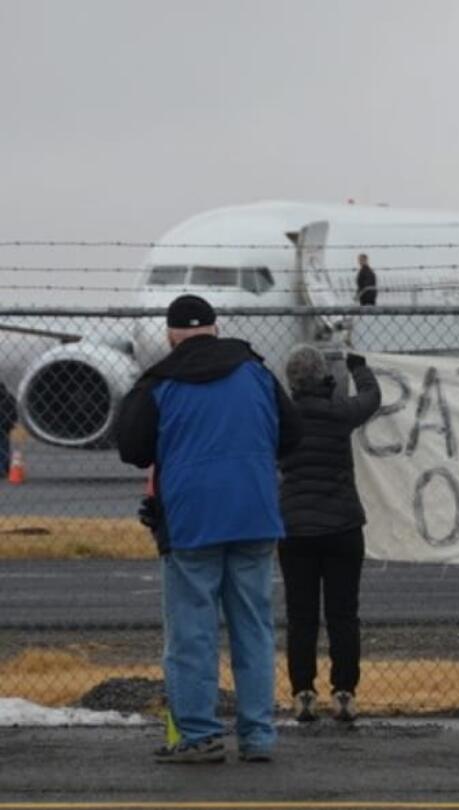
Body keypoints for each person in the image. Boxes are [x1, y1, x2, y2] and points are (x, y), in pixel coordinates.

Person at [116, 294, 302, 764]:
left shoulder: (159, 383)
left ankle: (199, 735)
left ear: (170, 335)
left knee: (192, 632)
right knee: (253, 627)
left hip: (192, 519)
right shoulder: (257, 372)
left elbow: (133, 448)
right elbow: (293, 434)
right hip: (255, 515)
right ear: (216, 328)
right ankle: (258, 735)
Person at [278, 345, 381, 723]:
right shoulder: (340, 412)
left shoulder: (282, 417)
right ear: (324, 375)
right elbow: (371, 398)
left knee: (301, 615)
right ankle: (344, 691)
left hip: (295, 527)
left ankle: (303, 690)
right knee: (343, 614)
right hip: (342, 525)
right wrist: (360, 368)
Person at [0, 380, 16, 476]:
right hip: (5, 427)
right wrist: (11, 423)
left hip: (4, 426)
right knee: (4, 448)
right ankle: (4, 467)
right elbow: (14, 413)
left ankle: (3, 467)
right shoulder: (9, 398)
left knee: (3, 448)